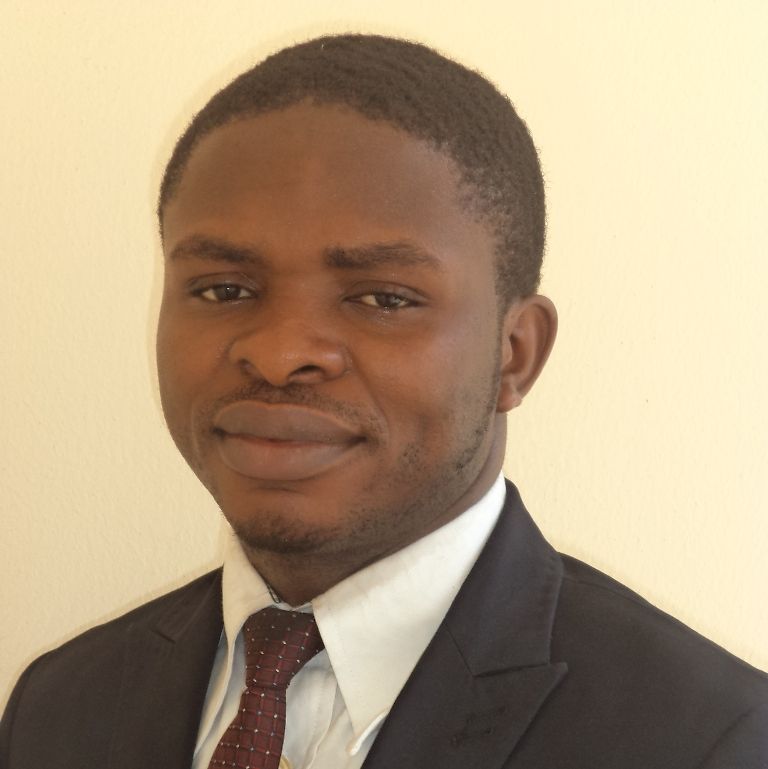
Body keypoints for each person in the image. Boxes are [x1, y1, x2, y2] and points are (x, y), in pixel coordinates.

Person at [1, 33, 766, 769]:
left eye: (382, 298)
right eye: (223, 289)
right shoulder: (59, 705)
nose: (279, 352)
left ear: (515, 353)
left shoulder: (708, 741)